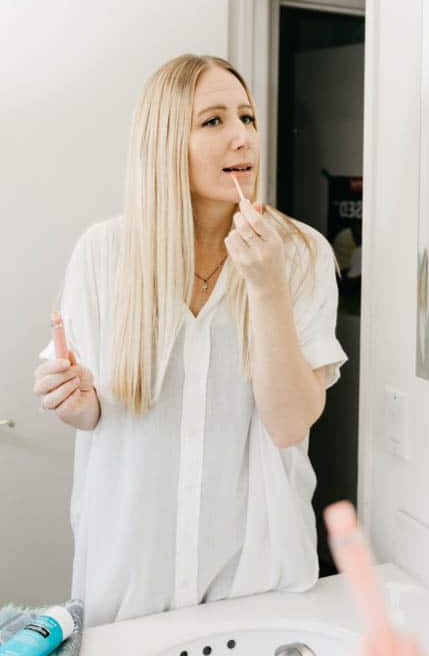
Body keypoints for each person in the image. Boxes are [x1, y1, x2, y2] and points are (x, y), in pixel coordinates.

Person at [33, 54, 348, 627]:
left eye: (248, 118)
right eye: (214, 121)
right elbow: (90, 413)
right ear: (165, 141)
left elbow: (290, 423)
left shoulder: (301, 255)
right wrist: (74, 402)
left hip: (259, 576)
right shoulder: (104, 254)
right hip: (130, 575)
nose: (243, 138)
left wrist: (268, 289)